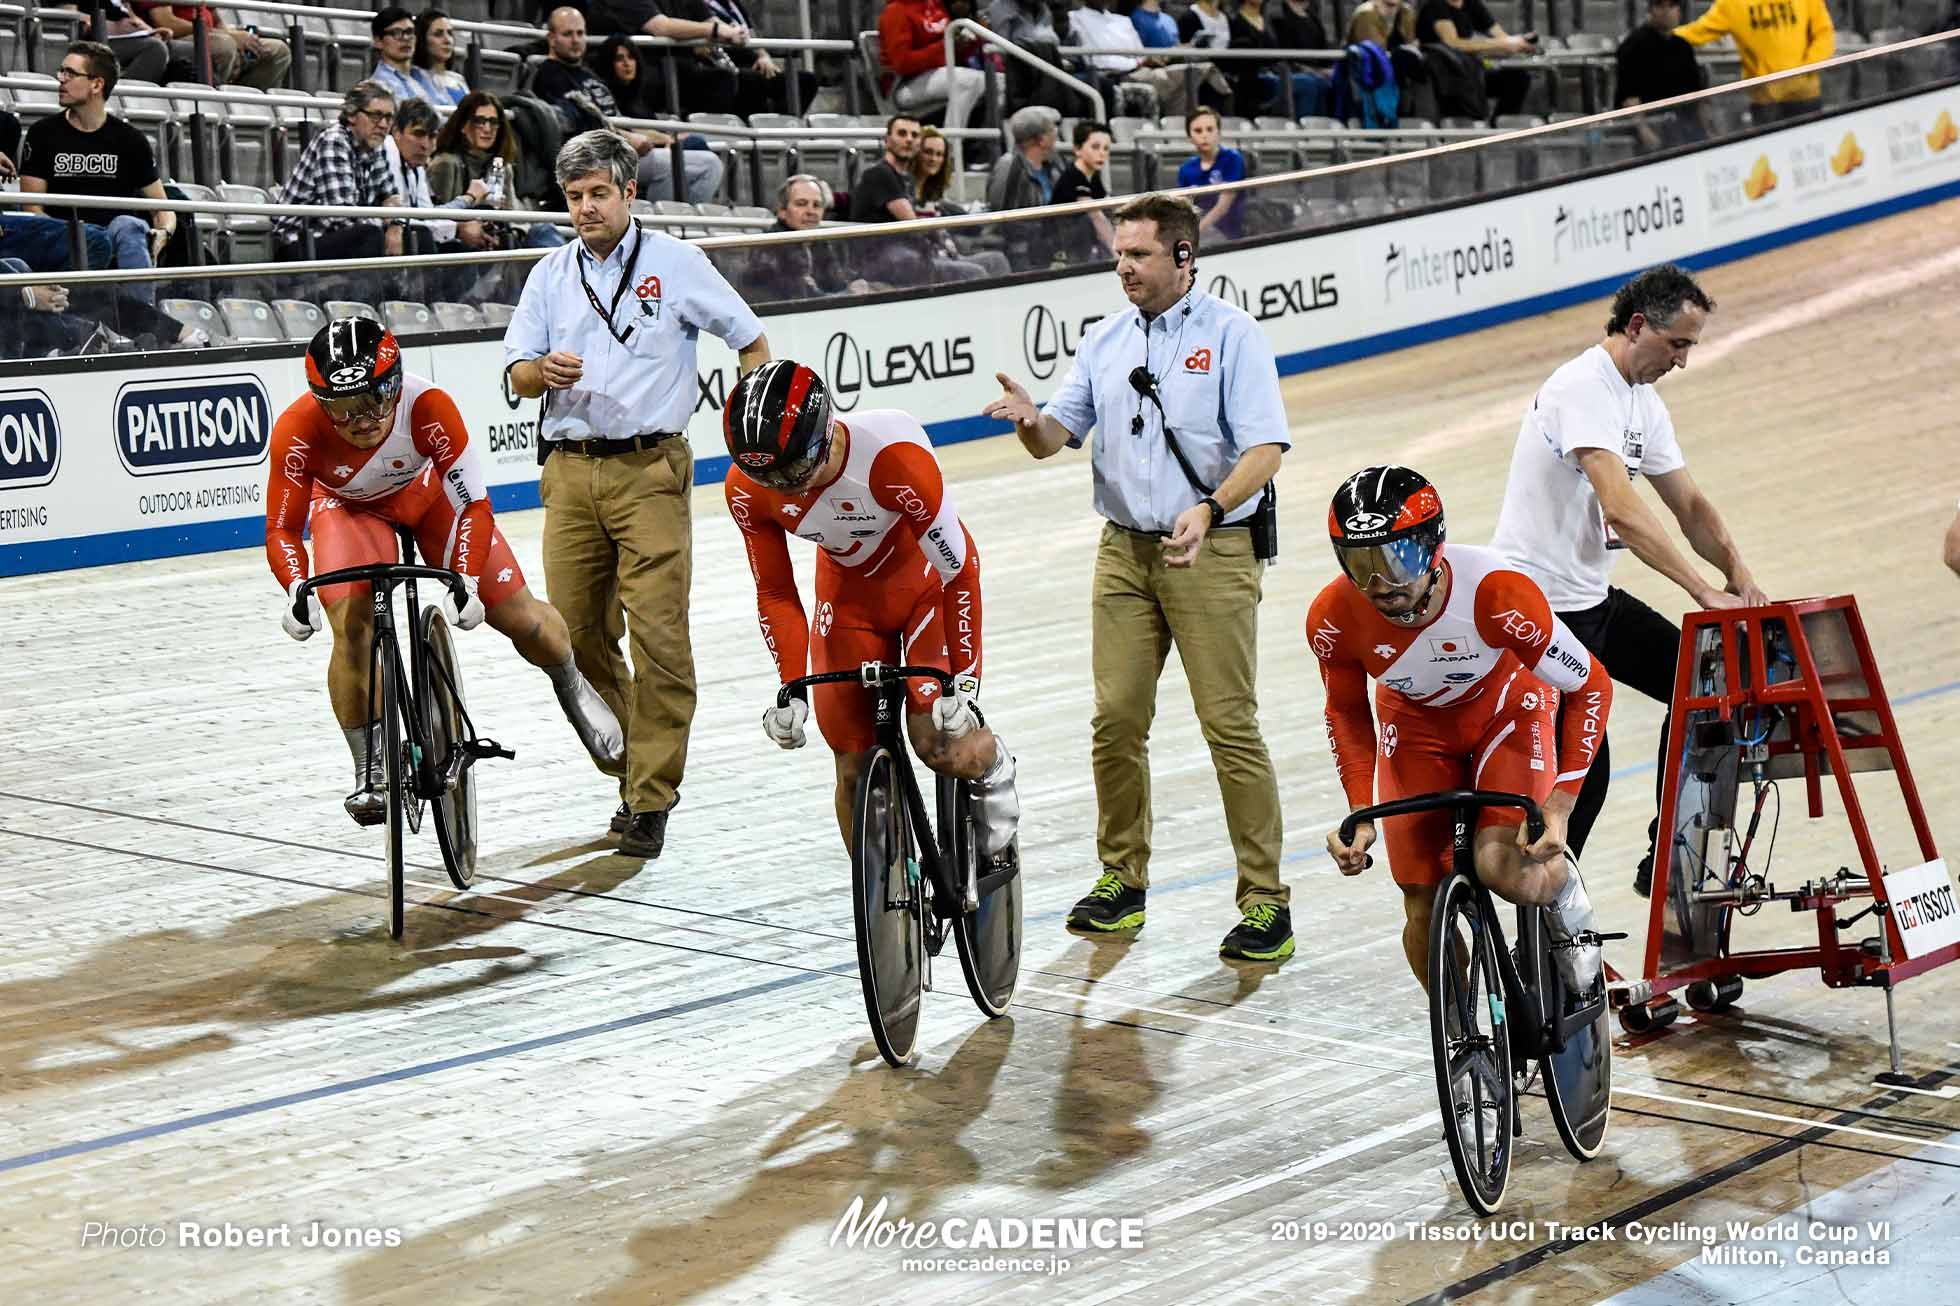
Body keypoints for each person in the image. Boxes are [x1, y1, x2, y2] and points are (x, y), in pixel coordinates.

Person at [982, 192, 1292, 962]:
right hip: (1124, 551)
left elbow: (1265, 450)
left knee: (1229, 727)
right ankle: (1122, 879)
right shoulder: (1104, 340)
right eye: (1118, 253)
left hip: (1208, 550)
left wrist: (1213, 510)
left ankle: (1265, 902)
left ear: (1184, 257)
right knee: (1115, 721)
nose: (1123, 266)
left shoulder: (1233, 336)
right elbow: (1058, 436)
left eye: (1140, 254)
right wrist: (1030, 421)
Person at [502, 130, 771, 858]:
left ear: (629, 192)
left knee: (659, 638)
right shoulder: (549, 274)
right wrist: (539, 374)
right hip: (567, 471)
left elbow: (750, 339)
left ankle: (651, 795)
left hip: (650, 471)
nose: (585, 208)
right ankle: (629, 762)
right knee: (575, 637)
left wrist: (752, 413)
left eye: (598, 194)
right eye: (574, 197)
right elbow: (514, 375)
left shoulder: (679, 263)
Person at [268, 316, 625, 825]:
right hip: (350, 510)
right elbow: (282, 530)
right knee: (350, 626)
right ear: (320, 402)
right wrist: (296, 587)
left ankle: (570, 683)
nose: (362, 419)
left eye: (373, 400)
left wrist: (467, 579)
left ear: (395, 385)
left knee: (521, 619)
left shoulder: (428, 406)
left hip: (430, 497)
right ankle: (369, 767)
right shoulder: (297, 428)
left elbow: (475, 506)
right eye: (343, 409)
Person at [1489, 264, 1766, 898]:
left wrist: (1739, 572)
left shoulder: (1643, 401)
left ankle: (1670, 852)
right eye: (1678, 345)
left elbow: (1688, 505)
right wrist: (1701, 589)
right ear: (1638, 325)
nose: (1683, 361)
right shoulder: (1584, 387)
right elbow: (1620, 507)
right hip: (1539, 612)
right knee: (1587, 778)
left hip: (1591, 602)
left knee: (1705, 684)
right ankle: (1554, 932)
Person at [1316, 467, 1612, 993]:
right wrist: (1360, 810)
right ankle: (1467, 1041)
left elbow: (1591, 686)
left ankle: (1565, 894)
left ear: (1433, 548)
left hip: (1508, 711)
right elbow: (1346, 712)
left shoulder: (1499, 595)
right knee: (1422, 904)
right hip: (1415, 726)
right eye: (1360, 565)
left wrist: (1560, 806)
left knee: (1501, 866)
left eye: (1395, 559)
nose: (1379, 584)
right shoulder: (1333, 617)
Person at [722, 360, 1020, 860]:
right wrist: (792, 682)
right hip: (847, 600)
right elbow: (775, 592)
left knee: (937, 743)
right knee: (850, 761)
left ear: (824, 436)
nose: (782, 486)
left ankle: (993, 767)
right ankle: (888, 907)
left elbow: (958, 569)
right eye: (764, 474)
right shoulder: (749, 489)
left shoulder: (893, 460)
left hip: (925, 587)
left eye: (791, 470)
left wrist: (966, 682)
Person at [18, 42, 172, 291]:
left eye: (70, 73)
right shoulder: (42, 134)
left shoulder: (130, 140)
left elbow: (163, 208)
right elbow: (32, 208)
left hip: (116, 235)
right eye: (61, 71)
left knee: (128, 224)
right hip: (64, 236)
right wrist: (79, 236)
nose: (61, 79)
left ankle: (143, 323)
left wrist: (164, 232)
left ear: (97, 84)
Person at [532, 9, 724, 206]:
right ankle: (663, 225)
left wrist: (667, 138)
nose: (575, 40)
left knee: (694, 145)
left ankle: (677, 221)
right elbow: (583, 126)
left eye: (580, 33)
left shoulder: (588, 74)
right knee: (707, 165)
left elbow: (619, 120)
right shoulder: (550, 74)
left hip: (623, 147)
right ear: (551, 38)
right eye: (567, 34)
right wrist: (628, 139)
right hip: (602, 157)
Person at [272, 81, 404, 261]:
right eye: (376, 116)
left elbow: (391, 196)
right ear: (351, 115)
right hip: (299, 243)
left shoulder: (376, 145)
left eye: (389, 118)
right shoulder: (334, 141)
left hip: (337, 236)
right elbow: (341, 217)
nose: (383, 125)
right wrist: (385, 223)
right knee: (370, 236)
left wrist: (395, 226)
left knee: (419, 235)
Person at [429, 92, 567, 249]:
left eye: (493, 122)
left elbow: (514, 216)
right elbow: (438, 219)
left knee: (544, 230)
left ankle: (574, 272)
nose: (487, 129)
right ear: (463, 125)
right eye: (479, 121)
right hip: (458, 244)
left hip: (495, 241)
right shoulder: (446, 164)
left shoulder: (502, 166)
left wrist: (513, 230)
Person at [1674, 0, 1834, 122]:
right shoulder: (1731, 4)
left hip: (1805, 96)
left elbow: (1824, 33)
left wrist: (1803, 71)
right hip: (1766, 102)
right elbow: (1696, 32)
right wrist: (1654, 38)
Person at [742, 174, 871, 301]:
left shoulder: (820, 242)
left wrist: (857, 284)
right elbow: (803, 299)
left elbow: (836, 281)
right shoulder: (769, 246)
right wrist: (848, 293)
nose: (811, 211)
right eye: (801, 204)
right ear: (782, 210)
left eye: (817, 205)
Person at [1068, 0, 1206, 118]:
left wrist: (1152, 59)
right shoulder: (1076, 18)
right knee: (1176, 78)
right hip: (1114, 74)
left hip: (1143, 69)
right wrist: (1138, 62)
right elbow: (1097, 61)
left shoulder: (1123, 21)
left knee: (1191, 71)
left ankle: (1180, 127)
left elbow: (1139, 52)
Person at [879, 0, 989, 140]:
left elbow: (952, 53)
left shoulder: (936, 5)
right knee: (968, 82)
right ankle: (948, 152)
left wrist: (973, 39)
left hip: (940, 75)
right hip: (904, 85)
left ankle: (989, 150)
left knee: (1000, 82)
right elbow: (903, 64)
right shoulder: (896, 11)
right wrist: (944, 46)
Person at [1415, 0, 1536, 120]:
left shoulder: (1472, 4)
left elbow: (1501, 37)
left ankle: (1499, 127)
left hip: (1472, 72)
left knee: (1517, 79)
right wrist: (1502, 44)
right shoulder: (1435, 7)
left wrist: (1520, 42)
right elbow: (1453, 43)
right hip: (1446, 75)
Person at [1616, 0, 1708, 151]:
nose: (1666, 11)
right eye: (1660, 6)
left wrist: (1708, 130)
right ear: (1651, 11)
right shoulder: (1633, 46)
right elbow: (1629, 97)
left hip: (1685, 128)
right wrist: (1645, 132)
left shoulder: (1683, 47)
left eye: (1671, 6)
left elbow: (1697, 96)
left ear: (1679, 12)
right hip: (1654, 129)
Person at [145, 5, 291, 90]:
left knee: (277, 50)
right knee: (224, 45)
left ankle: (241, 108)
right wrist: (230, 38)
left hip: (211, 34)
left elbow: (217, 21)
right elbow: (165, 22)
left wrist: (237, 39)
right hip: (176, 39)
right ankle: (214, 106)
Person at [1229, 0, 1332, 119]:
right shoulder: (1235, 21)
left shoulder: (1266, 20)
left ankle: (1320, 131)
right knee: (1307, 83)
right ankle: (1303, 131)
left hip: (1275, 72)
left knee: (1320, 83)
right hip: (1255, 77)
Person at [1177, 108, 1246, 241]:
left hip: (1231, 234)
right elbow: (1185, 210)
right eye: (1198, 131)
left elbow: (1223, 207)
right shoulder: (1186, 169)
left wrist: (1196, 232)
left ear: (1218, 133)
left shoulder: (1233, 159)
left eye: (1210, 129)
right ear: (1189, 137)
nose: (1204, 135)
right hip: (1200, 234)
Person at [1051, 119, 1113, 264]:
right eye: (1095, 147)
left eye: (1106, 148)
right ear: (1077, 149)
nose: (1102, 153)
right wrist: (1117, 252)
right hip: (1061, 249)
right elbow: (1096, 216)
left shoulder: (1093, 175)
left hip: (1082, 245)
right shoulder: (1073, 176)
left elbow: (1107, 206)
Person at [985, 105, 1060, 214]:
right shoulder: (1008, 167)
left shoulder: (1054, 164)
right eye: (1053, 130)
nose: (1056, 136)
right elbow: (1003, 215)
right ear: (1041, 139)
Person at [413, 8, 473, 109]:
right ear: (422, 39)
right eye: (438, 34)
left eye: (449, 33)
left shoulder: (458, 79)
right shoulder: (413, 76)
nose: (447, 40)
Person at [913, 126, 956, 213]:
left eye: (939, 154)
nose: (933, 159)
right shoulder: (903, 185)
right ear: (916, 152)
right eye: (928, 152)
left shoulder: (933, 188)